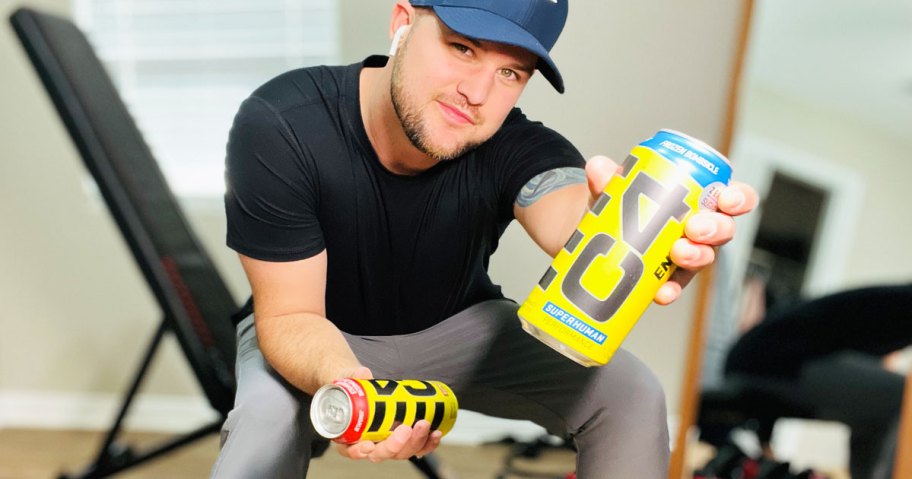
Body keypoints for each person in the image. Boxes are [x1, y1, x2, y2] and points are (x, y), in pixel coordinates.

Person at [210, 1, 757, 477]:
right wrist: (354, 392)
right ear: (402, 22)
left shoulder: (519, 146)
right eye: (462, 48)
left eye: (511, 73)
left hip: (457, 330)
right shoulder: (282, 122)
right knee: (266, 415)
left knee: (631, 393)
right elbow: (289, 317)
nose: (476, 93)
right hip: (313, 327)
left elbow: (571, 219)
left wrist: (641, 233)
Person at [722, 283, 912, 479]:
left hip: (755, 361)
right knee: (903, 397)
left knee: (876, 413)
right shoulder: (902, 302)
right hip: (770, 362)